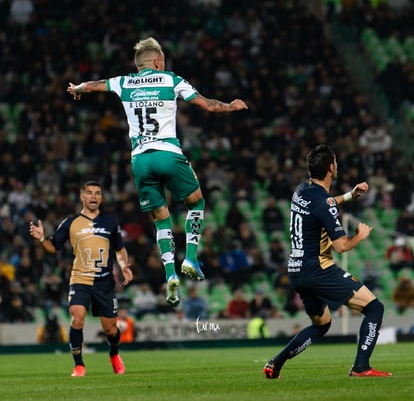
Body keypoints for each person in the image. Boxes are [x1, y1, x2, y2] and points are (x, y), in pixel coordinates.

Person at [67, 37, 248, 308]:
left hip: (140, 160)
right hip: (168, 153)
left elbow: (95, 85)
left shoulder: (125, 81)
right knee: (196, 202)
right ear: (158, 61)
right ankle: (190, 257)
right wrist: (231, 106)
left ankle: (170, 274)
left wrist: (78, 88)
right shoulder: (171, 80)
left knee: (161, 219)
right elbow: (207, 104)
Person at [263, 145, 392, 379]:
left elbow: (324, 204)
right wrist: (360, 236)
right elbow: (341, 246)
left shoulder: (301, 191)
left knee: (322, 324)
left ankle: (275, 363)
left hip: (296, 271)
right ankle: (361, 367)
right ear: (331, 168)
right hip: (318, 269)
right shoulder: (325, 202)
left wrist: (349, 196)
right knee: (375, 308)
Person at [30, 181, 133, 377]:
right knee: (77, 319)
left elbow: (120, 249)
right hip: (80, 279)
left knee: (111, 330)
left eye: (97, 193)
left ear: (101, 198)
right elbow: (53, 247)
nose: (93, 196)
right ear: (82, 196)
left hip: (104, 282)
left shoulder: (111, 222)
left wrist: (124, 266)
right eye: (89, 193)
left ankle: (114, 354)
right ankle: (79, 365)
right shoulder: (71, 223)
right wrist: (43, 239)